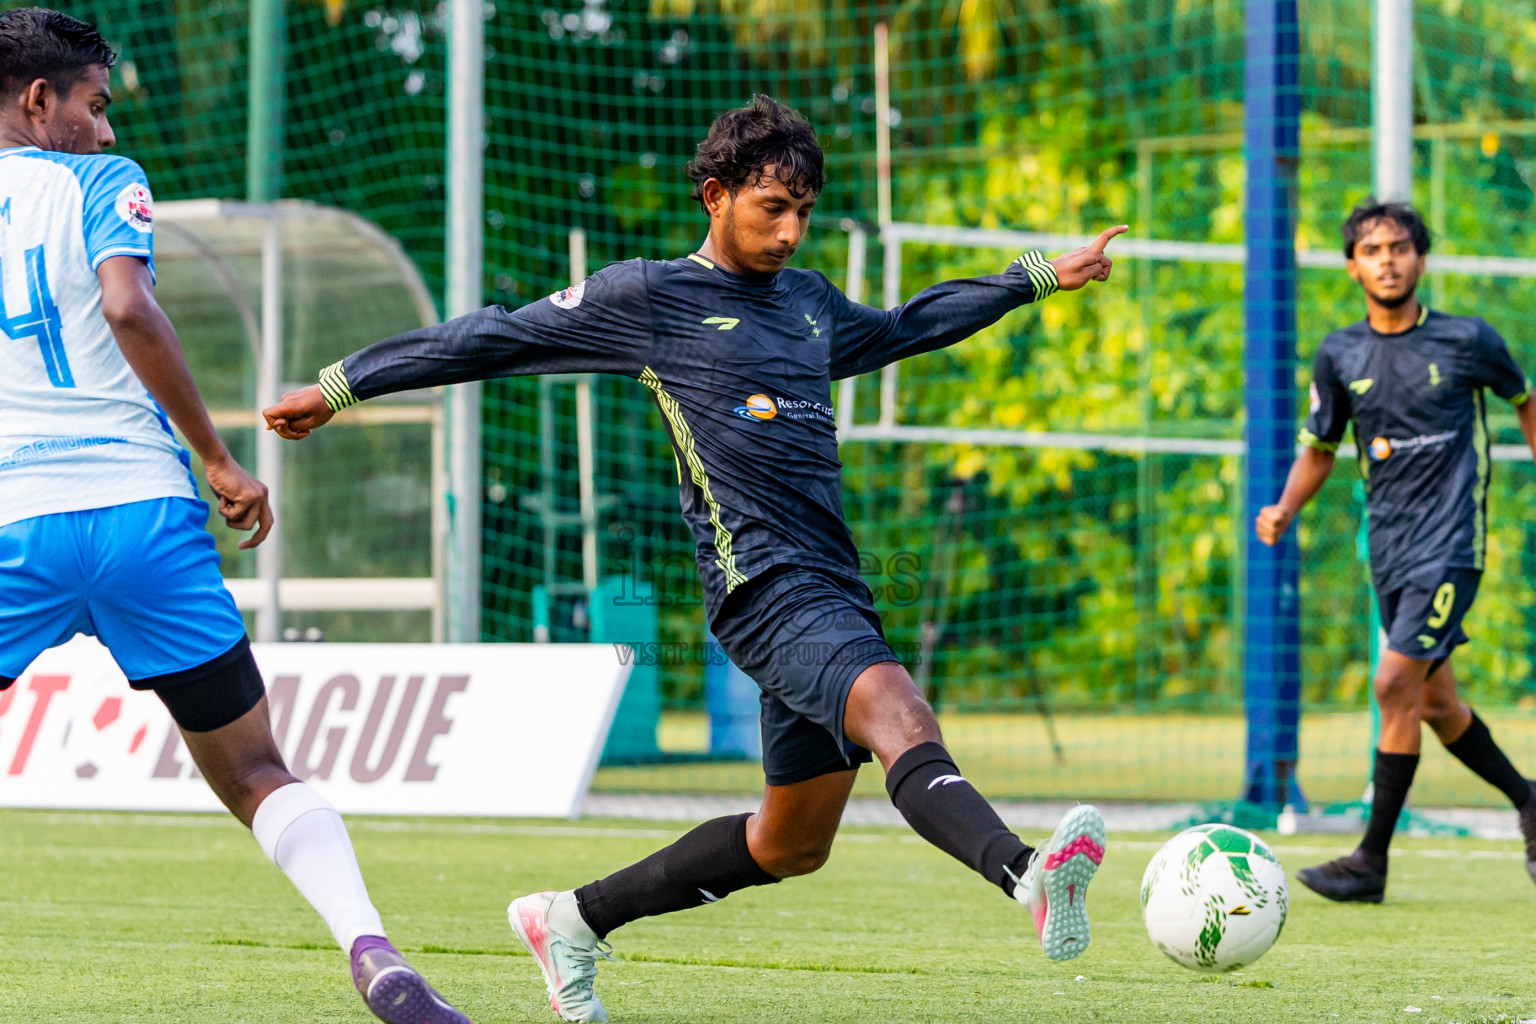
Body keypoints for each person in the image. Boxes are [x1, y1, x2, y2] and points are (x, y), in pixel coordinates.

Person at [265, 95, 1124, 1021]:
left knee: (790, 845)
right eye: (772, 208)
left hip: (832, 584)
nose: (790, 232)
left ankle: (569, 921)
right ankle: (1027, 875)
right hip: (761, 589)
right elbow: (493, 336)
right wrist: (341, 385)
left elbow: (908, 324)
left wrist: (1035, 276)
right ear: (715, 196)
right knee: (901, 712)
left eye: (803, 212)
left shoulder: (809, 303)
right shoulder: (649, 298)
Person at [0, 9, 473, 1022]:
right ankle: (372, 949)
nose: (107, 129)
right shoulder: (100, 183)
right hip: (140, 512)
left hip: (14, 521)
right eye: (96, 105)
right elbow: (126, 305)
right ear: (40, 100)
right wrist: (218, 457)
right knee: (256, 768)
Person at [1256, 198, 1536, 903]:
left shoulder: (1467, 340)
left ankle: (1370, 862)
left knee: (1391, 686)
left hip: (1453, 545)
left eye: (1400, 247)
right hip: (1387, 549)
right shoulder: (1340, 353)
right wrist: (1284, 508)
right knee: (1437, 705)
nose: (1388, 260)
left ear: (1421, 258)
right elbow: (1320, 449)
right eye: (1373, 250)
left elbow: (1524, 401)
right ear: (1353, 267)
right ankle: (1529, 800)